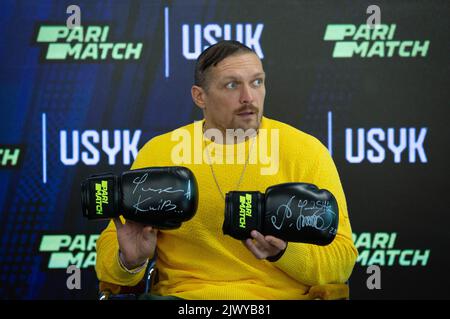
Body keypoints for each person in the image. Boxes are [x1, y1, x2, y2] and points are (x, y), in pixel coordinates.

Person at [95, 40, 358, 300]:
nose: (249, 97)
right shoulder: (160, 152)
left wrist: (284, 252)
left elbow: (342, 259)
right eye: (232, 85)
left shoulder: (306, 151)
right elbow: (111, 259)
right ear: (200, 96)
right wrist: (130, 260)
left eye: (257, 82)